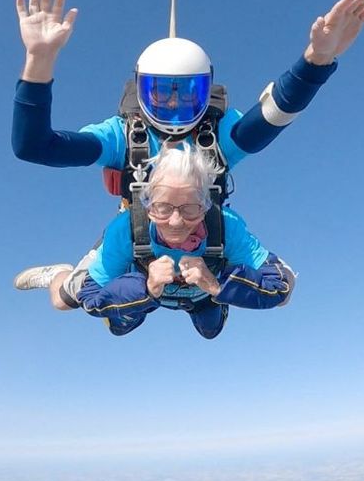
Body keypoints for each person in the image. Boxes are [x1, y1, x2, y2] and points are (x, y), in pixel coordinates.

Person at [10, 0, 364, 314]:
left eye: (187, 93)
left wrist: (317, 58)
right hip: (140, 237)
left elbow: (276, 113)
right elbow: (34, 147)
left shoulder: (217, 133)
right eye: (161, 92)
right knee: (65, 300)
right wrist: (39, 60)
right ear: (140, 90)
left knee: (207, 317)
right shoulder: (124, 135)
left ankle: (202, 301)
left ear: (206, 91)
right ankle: (61, 274)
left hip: (202, 240)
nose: (173, 106)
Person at [66, 145, 294, 339]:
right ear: (148, 206)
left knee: (210, 329)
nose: (176, 222)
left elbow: (280, 285)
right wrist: (145, 287)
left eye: (191, 209)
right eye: (163, 208)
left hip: (203, 295)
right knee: (115, 324)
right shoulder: (127, 228)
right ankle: (63, 275)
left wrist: (217, 286)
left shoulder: (225, 226)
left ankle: (216, 294)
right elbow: (89, 296)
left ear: (206, 207)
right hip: (144, 289)